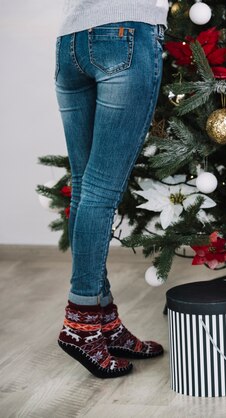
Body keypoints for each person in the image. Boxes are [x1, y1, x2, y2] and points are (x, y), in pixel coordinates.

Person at [55, 0, 168, 378]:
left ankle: (104, 321)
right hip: (127, 34)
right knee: (100, 192)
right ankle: (81, 323)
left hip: (70, 40)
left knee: (87, 185)